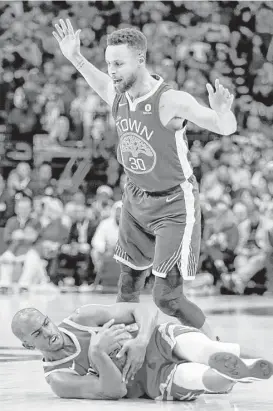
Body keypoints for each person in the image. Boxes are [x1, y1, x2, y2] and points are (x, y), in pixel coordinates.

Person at [52, 19, 237, 340]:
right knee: (126, 290)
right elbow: (96, 79)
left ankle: (217, 348)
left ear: (141, 59)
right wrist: (75, 57)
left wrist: (223, 112)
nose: (111, 70)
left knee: (167, 297)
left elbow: (224, 127)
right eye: (109, 63)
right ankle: (124, 349)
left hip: (174, 203)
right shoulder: (118, 95)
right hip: (136, 199)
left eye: (119, 64)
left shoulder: (170, 100)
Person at [11, 303, 273, 401]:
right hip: (150, 381)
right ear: (27, 345)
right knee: (198, 376)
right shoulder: (59, 378)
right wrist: (98, 354)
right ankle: (234, 376)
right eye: (37, 334)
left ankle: (244, 369)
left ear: (49, 318)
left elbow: (141, 310)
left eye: (46, 323)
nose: (48, 332)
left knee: (209, 349)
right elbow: (116, 392)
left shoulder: (83, 317)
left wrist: (140, 341)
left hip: (157, 340)